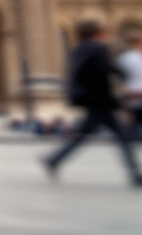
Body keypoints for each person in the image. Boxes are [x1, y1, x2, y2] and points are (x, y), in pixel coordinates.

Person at [44, 20, 141, 186]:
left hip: (89, 98)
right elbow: (101, 73)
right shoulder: (98, 48)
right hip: (99, 100)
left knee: (85, 134)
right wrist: (118, 84)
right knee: (122, 137)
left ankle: (54, 159)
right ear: (98, 33)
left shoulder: (79, 48)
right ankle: (135, 174)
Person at [118, 28, 142, 138]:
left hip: (129, 94)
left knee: (134, 121)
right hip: (138, 93)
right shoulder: (136, 57)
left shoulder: (122, 58)